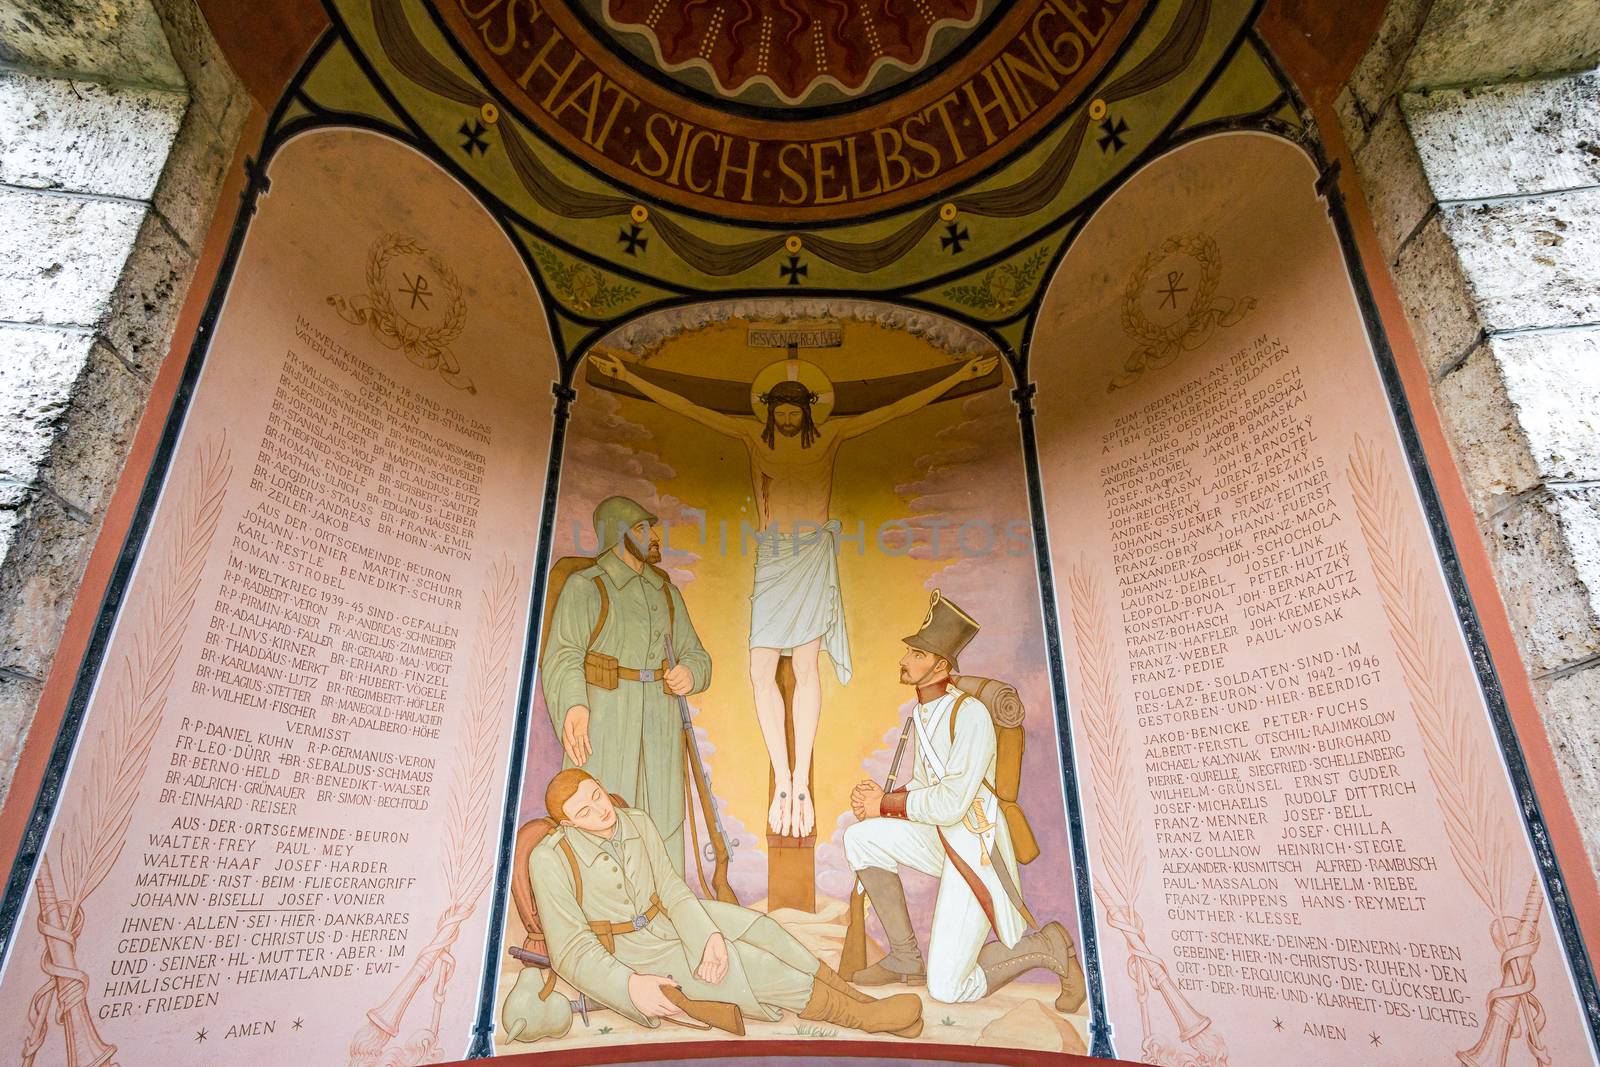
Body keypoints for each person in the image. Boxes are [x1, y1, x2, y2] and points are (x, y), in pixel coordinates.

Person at [589, 349, 999, 839]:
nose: (784, 420)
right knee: (758, 671)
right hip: (774, 561)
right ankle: (780, 779)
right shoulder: (752, 440)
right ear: (769, 413)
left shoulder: (830, 439)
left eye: (792, 412)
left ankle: (799, 780)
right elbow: (695, 411)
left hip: (809, 559)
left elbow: (891, 410)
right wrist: (629, 375)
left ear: (805, 411)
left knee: (806, 668)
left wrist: (959, 374)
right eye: (778, 413)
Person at [526, 768, 926, 1037]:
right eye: (585, 810)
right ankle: (858, 1016)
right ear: (569, 823)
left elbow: (672, 890)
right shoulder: (550, 858)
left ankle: (856, 997)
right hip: (628, 950)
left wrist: (707, 937)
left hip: (666, 919)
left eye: (597, 795)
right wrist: (629, 985)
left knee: (765, 929)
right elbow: (571, 950)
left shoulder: (636, 821)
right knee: (749, 962)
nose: (601, 811)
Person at [844, 591, 1085, 1010]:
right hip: (944, 840)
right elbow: (925, 786)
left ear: (940, 665)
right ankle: (905, 957)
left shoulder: (969, 714)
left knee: (948, 989)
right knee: (861, 838)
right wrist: (879, 803)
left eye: (916, 653)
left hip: (976, 849)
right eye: (909, 650)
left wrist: (886, 804)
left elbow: (952, 802)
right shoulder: (921, 714)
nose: (905, 659)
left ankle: (1047, 946)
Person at [541, 495, 710, 875]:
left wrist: (690, 673)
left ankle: (667, 914)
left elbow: (697, 655)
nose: (653, 536)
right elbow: (564, 654)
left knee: (663, 815)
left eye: (651, 528)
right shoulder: (586, 586)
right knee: (602, 811)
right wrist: (574, 705)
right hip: (605, 715)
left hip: (661, 723)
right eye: (641, 528)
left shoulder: (666, 592)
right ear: (617, 534)